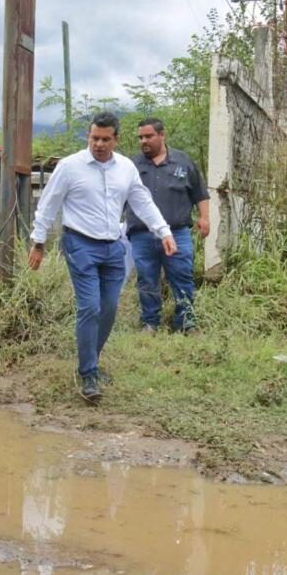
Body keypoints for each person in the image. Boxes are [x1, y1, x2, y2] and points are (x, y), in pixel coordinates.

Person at [28, 112, 176, 402]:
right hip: (80, 243)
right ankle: (88, 374)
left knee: (108, 308)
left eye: (105, 139)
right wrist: (38, 241)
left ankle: (91, 362)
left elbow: (142, 201)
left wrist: (164, 231)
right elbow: (48, 204)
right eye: (94, 138)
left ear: (116, 140)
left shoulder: (126, 168)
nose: (98, 144)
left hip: (113, 247)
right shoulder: (70, 167)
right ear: (89, 136)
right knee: (90, 307)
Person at [127, 118, 210, 334]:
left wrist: (204, 217)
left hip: (177, 232)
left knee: (182, 275)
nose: (143, 141)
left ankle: (185, 322)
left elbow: (200, 193)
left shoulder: (183, 162)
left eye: (148, 136)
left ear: (162, 135)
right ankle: (150, 322)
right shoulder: (132, 166)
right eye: (140, 137)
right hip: (142, 234)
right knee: (146, 278)